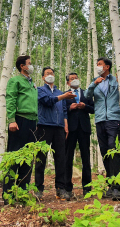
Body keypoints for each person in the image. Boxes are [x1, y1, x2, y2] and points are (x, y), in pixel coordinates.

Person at [34, 67, 76, 201]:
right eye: (47, 74)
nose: (50, 75)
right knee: (41, 158)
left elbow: (64, 110)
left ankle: (60, 189)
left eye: (52, 73)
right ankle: (38, 189)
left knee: (61, 159)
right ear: (43, 77)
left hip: (59, 128)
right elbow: (48, 101)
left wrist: (66, 125)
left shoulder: (59, 92)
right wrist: (64, 96)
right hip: (44, 126)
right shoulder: (40, 90)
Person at [85, 57, 120, 201]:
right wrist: (93, 85)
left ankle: (117, 187)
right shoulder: (95, 82)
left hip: (114, 119)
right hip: (100, 119)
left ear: (107, 66)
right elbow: (87, 97)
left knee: (114, 149)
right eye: (97, 65)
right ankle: (110, 185)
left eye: (100, 65)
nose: (98, 67)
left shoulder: (115, 80)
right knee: (105, 152)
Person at [2, 55, 39, 204]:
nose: (31, 66)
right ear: (22, 66)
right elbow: (10, 99)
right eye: (29, 63)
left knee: (28, 157)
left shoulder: (33, 84)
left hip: (32, 121)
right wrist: (11, 120)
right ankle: (8, 194)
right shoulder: (15, 80)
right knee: (14, 156)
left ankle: (23, 192)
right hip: (19, 120)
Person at [63, 73, 94, 198]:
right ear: (68, 83)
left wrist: (84, 106)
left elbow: (93, 108)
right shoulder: (65, 95)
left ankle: (87, 188)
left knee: (86, 159)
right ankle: (67, 188)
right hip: (69, 129)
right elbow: (62, 109)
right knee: (67, 158)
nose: (75, 80)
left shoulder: (86, 93)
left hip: (84, 128)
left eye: (76, 78)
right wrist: (70, 107)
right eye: (72, 79)